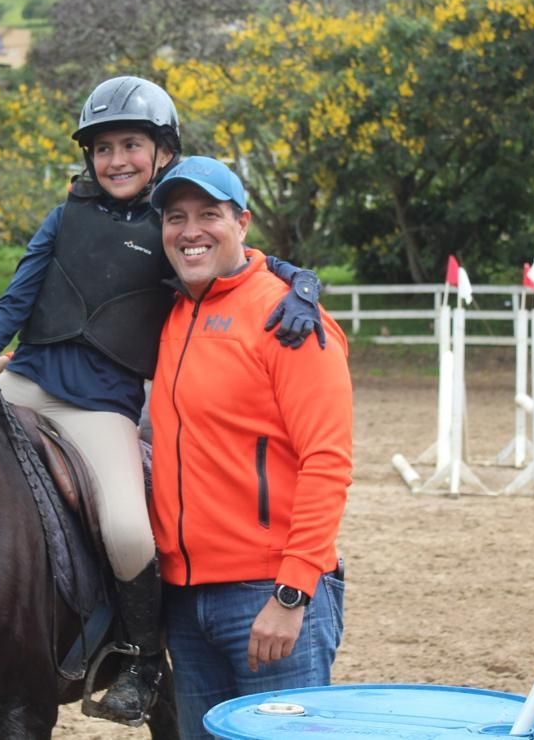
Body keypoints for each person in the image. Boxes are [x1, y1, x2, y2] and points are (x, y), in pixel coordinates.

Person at [0, 76, 325, 725]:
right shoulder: (62, 217)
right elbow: (13, 302)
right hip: (26, 382)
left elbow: (246, 260)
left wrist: (302, 284)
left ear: (162, 152)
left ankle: (140, 656)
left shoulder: (174, 225)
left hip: (100, 407)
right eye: (103, 148)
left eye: (131, 144)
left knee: (128, 530)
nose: (116, 159)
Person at [146, 156, 354, 739]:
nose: (190, 231)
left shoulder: (290, 321)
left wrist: (291, 594)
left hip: (267, 595)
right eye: (176, 217)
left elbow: (328, 462)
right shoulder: (174, 315)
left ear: (243, 222)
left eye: (208, 214)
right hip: (186, 603)